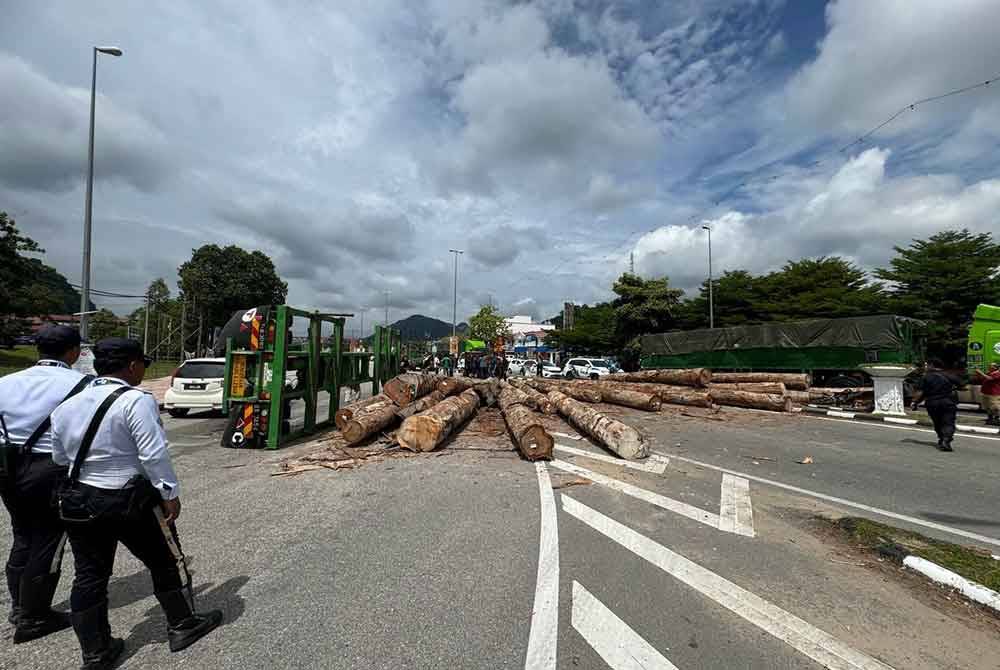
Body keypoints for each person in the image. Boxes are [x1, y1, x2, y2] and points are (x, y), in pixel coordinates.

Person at [50, 338, 222, 668]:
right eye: (142, 363)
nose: (143, 368)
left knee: (89, 575)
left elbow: (60, 456)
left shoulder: (67, 404)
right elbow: (153, 453)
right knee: (164, 559)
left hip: (79, 500)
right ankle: (181, 625)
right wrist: (169, 493)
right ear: (132, 366)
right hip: (128, 498)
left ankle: (96, 652)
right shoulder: (135, 401)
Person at [0, 325, 90, 643]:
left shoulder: (6, 383)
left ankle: (19, 605)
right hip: (49, 469)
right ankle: (34, 617)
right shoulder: (82, 383)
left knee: (22, 535)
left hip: (8, 467)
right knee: (48, 542)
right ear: (73, 352)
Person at [910, 358, 961, 451]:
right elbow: (962, 385)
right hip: (948, 402)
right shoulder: (949, 375)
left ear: (932, 365)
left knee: (937, 422)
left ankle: (942, 438)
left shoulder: (925, 377)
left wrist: (915, 402)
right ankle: (946, 440)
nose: (925, 367)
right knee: (948, 422)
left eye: (927, 365)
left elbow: (921, 392)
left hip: (932, 403)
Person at [973, 362, 1000, 426]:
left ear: (995, 367)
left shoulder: (998, 373)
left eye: (991, 366)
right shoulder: (989, 373)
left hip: (993, 393)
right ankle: (990, 419)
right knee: (987, 407)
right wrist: (978, 373)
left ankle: (997, 419)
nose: (989, 367)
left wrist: (980, 373)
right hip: (985, 392)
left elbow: (990, 378)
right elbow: (982, 378)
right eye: (989, 366)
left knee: (995, 407)